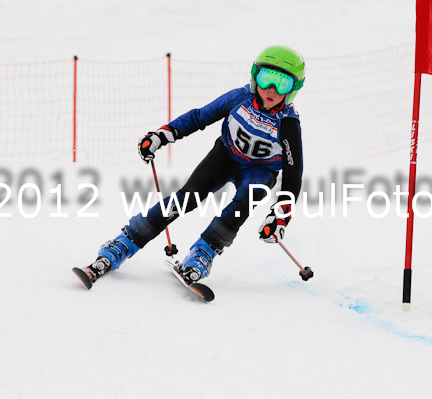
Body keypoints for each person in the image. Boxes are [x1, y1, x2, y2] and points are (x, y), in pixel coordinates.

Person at [74, 45, 305, 289]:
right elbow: (199, 117)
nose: (271, 89)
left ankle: (204, 252)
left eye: (282, 84)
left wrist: (280, 216)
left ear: (294, 89)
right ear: (254, 76)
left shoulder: (288, 123)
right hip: (225, 156)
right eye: (267, 78)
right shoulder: (240, 98)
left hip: (260, 171)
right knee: (186, 198)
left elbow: (293, 173)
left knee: (242, 205)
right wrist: (164, 134)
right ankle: (126, 241)